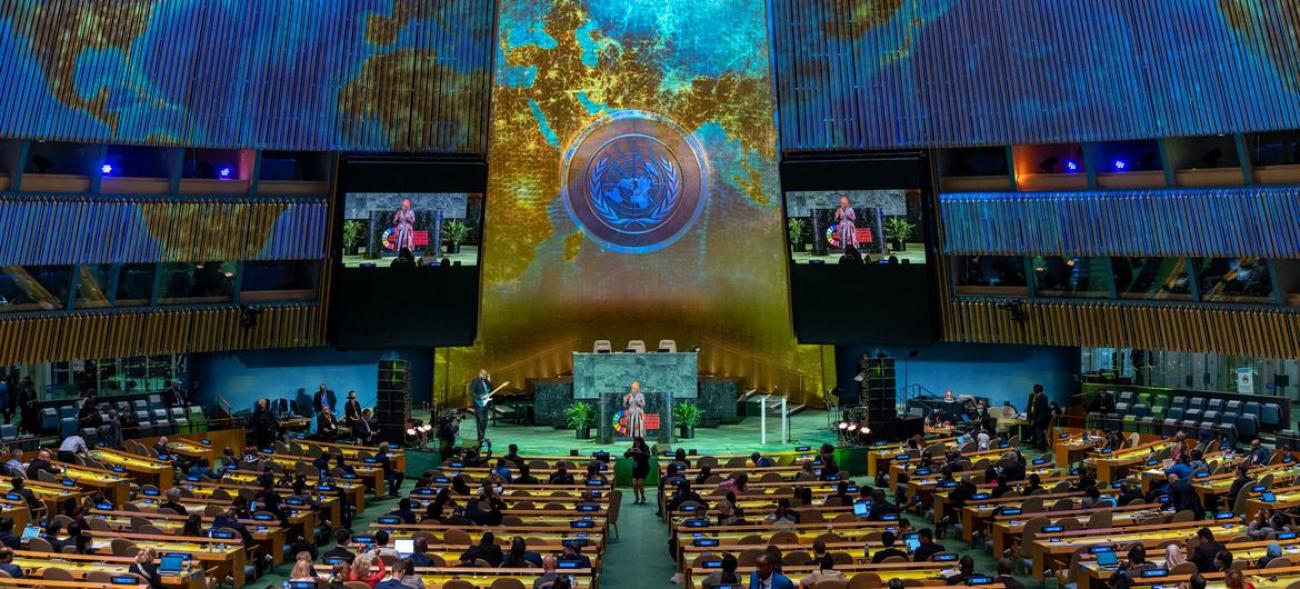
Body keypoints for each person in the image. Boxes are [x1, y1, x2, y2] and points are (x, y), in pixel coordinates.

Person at [470, 369, 494, 442]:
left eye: (486, 375)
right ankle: (480, 438)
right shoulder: (475, 381)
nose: (485, 376)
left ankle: (482, 436)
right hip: (479, 403)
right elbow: (472, 392)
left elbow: (492, 389)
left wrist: (489, 380)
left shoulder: (486, 381)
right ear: (480, 374)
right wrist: (480, 397)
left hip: (486, 404)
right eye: (484, 374)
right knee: (480, 421)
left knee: (485, 422)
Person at [625, 436, 651, 504]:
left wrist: (640, 452)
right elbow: (626, 456)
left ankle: (642, 497)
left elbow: (648, 456)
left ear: (641, 442)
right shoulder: (634, 448)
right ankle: (637, 498)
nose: (636, 444)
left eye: (638, 443)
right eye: (635, 443)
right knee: (634, 484)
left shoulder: (645, 447)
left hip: (644, 467)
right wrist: (628, 452)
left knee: (640, 484)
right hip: (636, 467)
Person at [1027, 384, 1050, 450]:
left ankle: (1042, 448)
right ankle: (1035, 445)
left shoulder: (1041, 397)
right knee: (1034, 432)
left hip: (1038, 419)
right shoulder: (1043, 397)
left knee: (1039, 433)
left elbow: (1038, 410)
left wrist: (1034, 420)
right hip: (1036, 418)